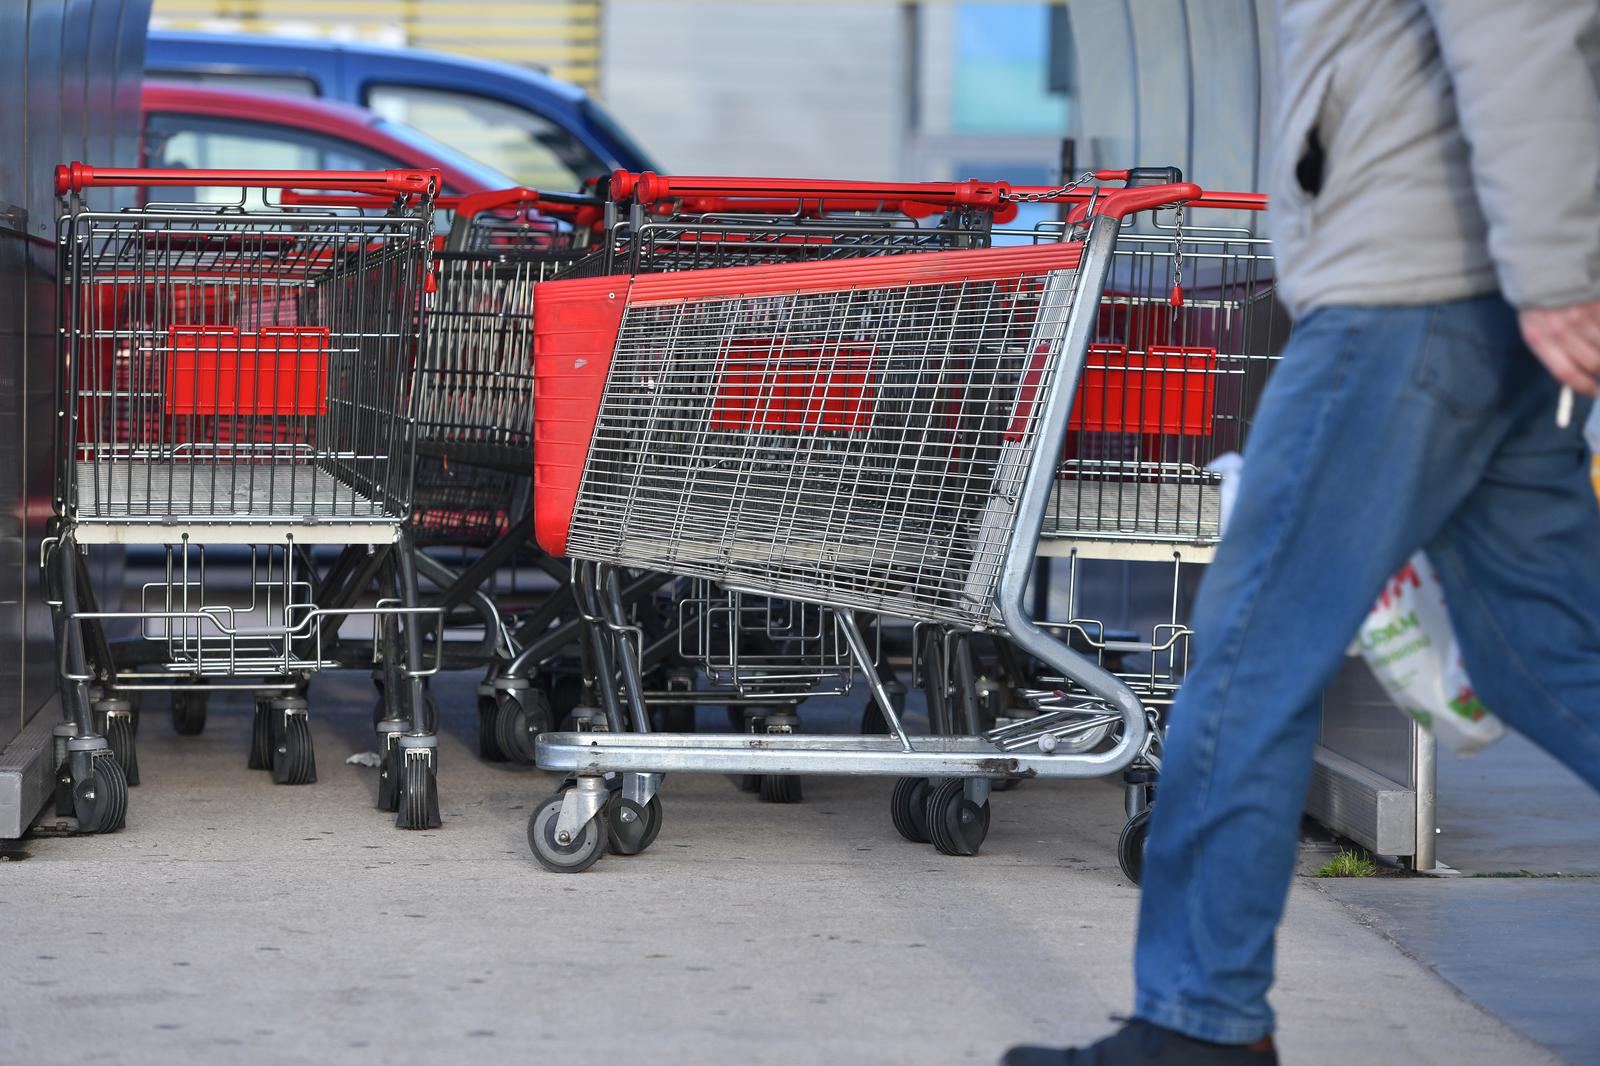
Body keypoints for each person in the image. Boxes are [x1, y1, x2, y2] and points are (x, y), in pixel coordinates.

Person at [1003, 0, 1600, 1062]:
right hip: (1469, 296)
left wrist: (1556, 274)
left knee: (1246, 663)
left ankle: (1198, 1023)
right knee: (1545, 659)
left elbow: (1517, 26)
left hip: (1404, 296)